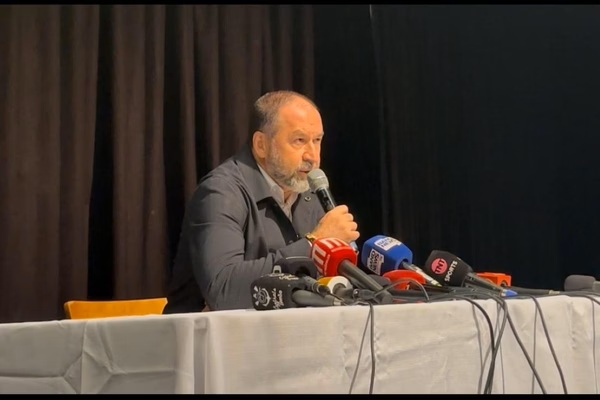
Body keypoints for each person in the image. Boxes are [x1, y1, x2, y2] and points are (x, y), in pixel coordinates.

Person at [163, 90, 360, 313]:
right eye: (299, 140)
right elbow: (224, 290)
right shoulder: (221, 192)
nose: (312, 156)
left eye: (317, 140)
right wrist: (314, 244)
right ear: (261, 145)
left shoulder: (308, 193)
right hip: (206, 333)